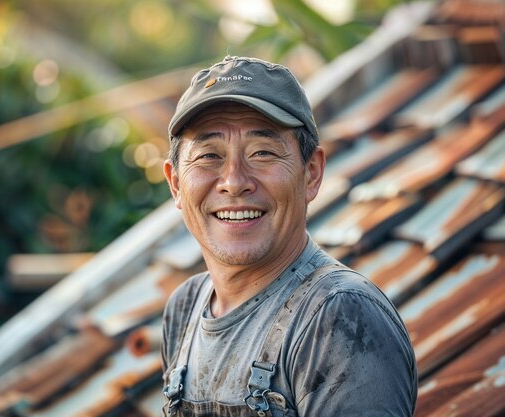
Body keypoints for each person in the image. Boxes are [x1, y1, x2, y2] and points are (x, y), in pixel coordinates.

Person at [160, 56, 417, 417]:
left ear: (311, 173)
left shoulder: (338, 316)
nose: (234, 181)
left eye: (262, 153)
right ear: (175, 183)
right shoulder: (185, 308)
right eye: (209, 155)